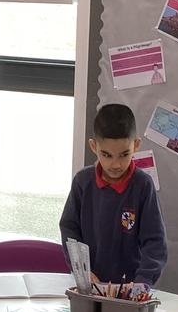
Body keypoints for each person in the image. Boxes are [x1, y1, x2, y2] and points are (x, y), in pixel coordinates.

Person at [60, 103, 167, 285]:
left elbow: (155, 242)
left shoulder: (143, 185)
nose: (116, 164)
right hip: (90, 285)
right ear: (94, 146)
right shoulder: (82, 182)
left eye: (124, 155)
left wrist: (142, 282)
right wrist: (82, 270)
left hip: (129, 288)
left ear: (136, 145)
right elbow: (70, 230)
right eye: (106, 155)